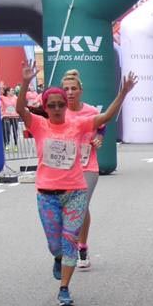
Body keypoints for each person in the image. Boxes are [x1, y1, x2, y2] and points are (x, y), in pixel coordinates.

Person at [16, 63, 135, 306]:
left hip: (75, 193)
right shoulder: (39, 125)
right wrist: (26, 82)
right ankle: (58, 257)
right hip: (47, 194)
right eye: (53, 105)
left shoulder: (78, 124)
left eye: (61, 104)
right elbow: (20, 110)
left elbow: (106, 118)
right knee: (54, 244)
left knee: (70, 239)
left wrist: (122, 93)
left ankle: (64, 288)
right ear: (46, 108)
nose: (58, 108)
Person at [58, 70, 107, 271]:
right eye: (66, 89)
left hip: (88, 165)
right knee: (67, 208)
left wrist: (99, 138)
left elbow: (102, 127)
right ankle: (74, 244)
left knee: (81, 204)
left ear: (81, 90)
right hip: (65, 167)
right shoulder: (59, 111)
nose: (70, 92)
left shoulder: (91, 112)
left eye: (73, 89)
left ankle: (81, 247)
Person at [0, 86, 19, 152]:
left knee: (15, 131)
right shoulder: (3, 98)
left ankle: (16, 145)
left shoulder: (15, 98)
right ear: (7, 92)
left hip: (14, 117)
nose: (13, 91)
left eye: (13, 90)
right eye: (11, 90)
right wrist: (0, 87)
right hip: (6, 117)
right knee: (6, 131)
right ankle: (7, 144)